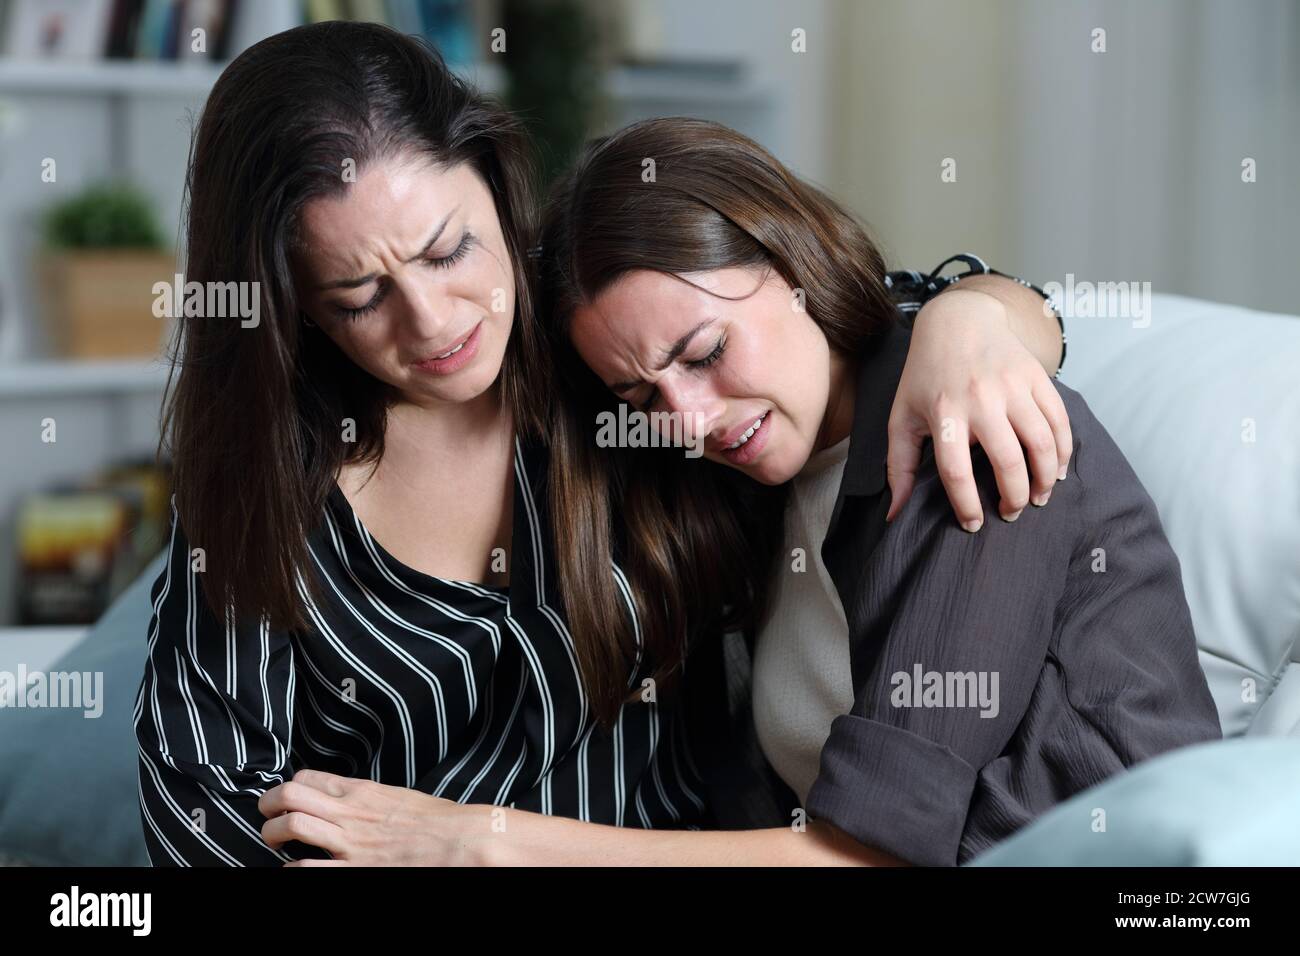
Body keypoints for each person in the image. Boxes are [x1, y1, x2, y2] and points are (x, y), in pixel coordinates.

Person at [136, 22, 1071, 866]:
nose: (430, 324)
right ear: (295, 308)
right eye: (358, 298)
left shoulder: (620, 356)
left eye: (449, 251)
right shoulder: (266, 492)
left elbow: (853, 316)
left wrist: (975, 320)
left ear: (499, 192)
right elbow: (199, 801)